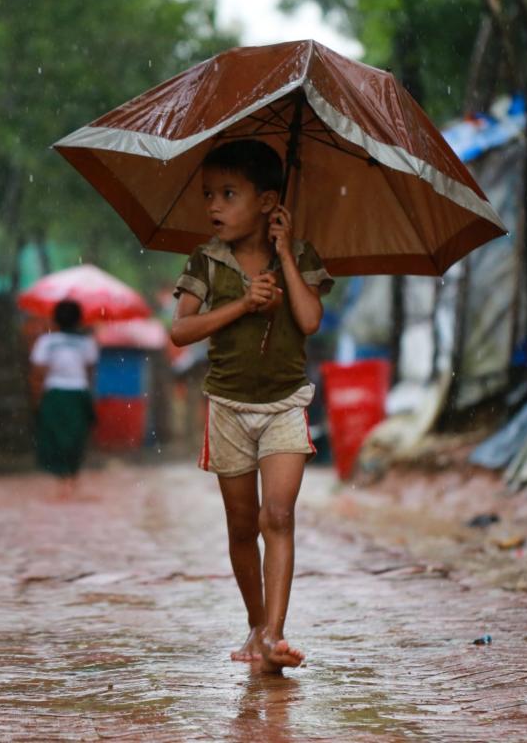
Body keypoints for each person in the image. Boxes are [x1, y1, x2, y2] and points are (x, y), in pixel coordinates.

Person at [170, 139, 333, 673]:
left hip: (285, 404)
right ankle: (256, 622)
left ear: (267, 202)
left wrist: (284, 256)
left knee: (277, 516)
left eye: (228, 194)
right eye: (209, 195)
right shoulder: (207, 261)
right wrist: (243, 304)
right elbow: (180, 331)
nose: (213, 206)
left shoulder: (302, 255)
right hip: (229, 408)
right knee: (242, 526)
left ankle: (275, 637)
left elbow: (310, 322)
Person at [30, 299, 98, 480]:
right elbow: (90, 373)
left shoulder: (46, 342)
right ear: (79, 319)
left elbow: (37, 374)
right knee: (76, 437)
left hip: (55, 394)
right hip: (78, 394)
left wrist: (37, 401)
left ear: (55, 319)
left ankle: (60, 480)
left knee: (55, 438)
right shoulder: (87, 343)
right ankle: (72, 477)